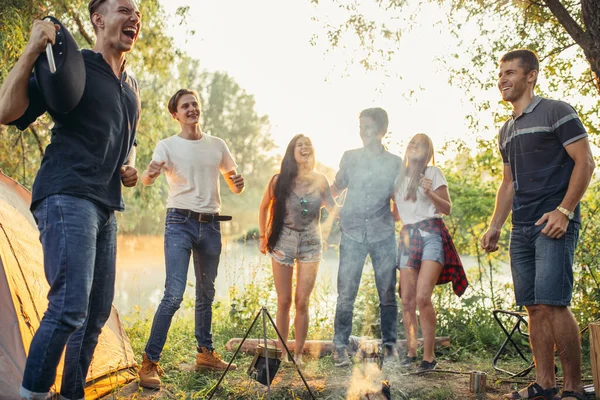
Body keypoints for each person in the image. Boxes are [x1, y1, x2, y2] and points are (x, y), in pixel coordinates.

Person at [0, 0, 141, 398]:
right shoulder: (71, 66)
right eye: (124, 10)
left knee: (95, 315)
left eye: (138, 14)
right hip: (66, 194)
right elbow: (6, 110)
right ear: (98, 19)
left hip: (106, 205)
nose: (134, 18)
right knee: (69, 307)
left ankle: (72, 394)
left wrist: (128, 168)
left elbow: (127, 144)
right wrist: (31, 49)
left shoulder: (132, 87)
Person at [481, 49, 594, 400]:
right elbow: (508, 183)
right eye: (500, 75)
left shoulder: (556, 111)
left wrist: (564, 210)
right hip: (523, 227)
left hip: (553, 222)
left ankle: (573, 388)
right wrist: (496, 224)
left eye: (511, 73)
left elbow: (586, 162)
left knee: (554, 302)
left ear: (531, 76)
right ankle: (545, 385)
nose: (503, 80)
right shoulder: (506, 130)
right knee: (532, 305)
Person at [138, 89, 245, 389]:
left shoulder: (217, 145)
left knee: (206, 293)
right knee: (173, 294)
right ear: (175, 114)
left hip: (211, 224)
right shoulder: (167, 145)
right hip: (179, 223)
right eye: (185, 106)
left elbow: (234, 183)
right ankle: (149, 361)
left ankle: (205, 354)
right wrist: (149, 173)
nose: (192, 109)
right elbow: (147, 180)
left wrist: (238, 182)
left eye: (195, 104)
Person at [258, 134, 338, 365]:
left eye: (308, 145)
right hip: (284, 241)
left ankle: (298, 354)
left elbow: (334, 210)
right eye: (299, 145)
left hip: (311, 243)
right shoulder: (278, 180)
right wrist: (263, 236)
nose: (304, 148)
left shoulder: (320, 180)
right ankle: (283, 353)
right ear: (292, 153)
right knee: (284, 301)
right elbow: (264, 207)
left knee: (302, 301)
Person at [331, 107, 401, 367]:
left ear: (382, 131)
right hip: (351, 232)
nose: (362, 131)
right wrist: (325, 206)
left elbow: (399, 197)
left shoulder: (395, 163)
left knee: (387, 294)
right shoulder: (349, 157)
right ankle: (339, 347)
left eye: (368, 127)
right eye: (360, 126)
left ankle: (391, 347)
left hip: (383, 234)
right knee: (346, 294)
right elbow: (335, 188)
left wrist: (396, 220)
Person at [393, 133, 467, 372]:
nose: (415, 146)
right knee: (406, 300)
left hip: (432, 235)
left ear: (427, 152)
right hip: (407, 237)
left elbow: (447, 208)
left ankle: (429, 357)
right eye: (412, 142)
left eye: (421, 144)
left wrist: (430, 193)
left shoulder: (433, 173)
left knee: (422, 298)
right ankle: (412, 352)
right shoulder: (397, 178)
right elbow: (396, 214)